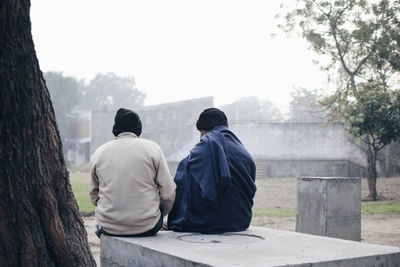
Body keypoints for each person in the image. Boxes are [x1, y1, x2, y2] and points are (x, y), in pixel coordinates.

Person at [168, 108, 256, 233]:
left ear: (202, 130)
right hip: (240, 221)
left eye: (200, 134)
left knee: (185, 165)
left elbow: (182, 188)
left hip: (205, 223)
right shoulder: (245, 153)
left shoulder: (202, 150)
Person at [90, 108, 176, 237]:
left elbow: (94, 195)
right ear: (138, 128)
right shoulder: (153, 149)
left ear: (115, 129)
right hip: (147, 225)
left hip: (109, 226)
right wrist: (159, 212)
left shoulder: (100, 152)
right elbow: (168, 193)